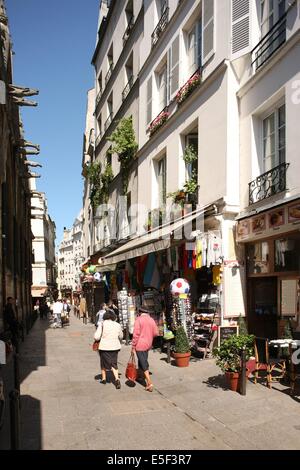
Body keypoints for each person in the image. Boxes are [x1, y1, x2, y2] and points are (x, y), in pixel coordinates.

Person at [94, 309, 123, 389]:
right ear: (113, 317)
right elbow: (121, 336)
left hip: (104, 347)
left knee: (103, 362)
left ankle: (103, 378)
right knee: (114, 363)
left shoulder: (102, 324)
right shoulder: (117, 325)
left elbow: (96, 337)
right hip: (115, 346)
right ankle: (117, 379)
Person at [132, 307, 159, 392]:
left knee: (143, 362)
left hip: (140, 344)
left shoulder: (138, 320)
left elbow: (136, 335)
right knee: (142, 360)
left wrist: (133, 346)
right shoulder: (151, 320)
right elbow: (156, 333)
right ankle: (140, 377)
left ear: (139, 312)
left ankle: (149, 382)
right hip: (148, 343)